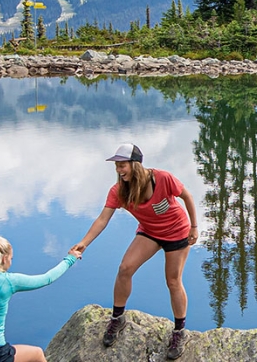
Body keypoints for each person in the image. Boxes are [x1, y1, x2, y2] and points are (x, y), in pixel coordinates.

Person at [69, 144, 199, 361]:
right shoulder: (119, 191)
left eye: (123, 165)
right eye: (117, 166)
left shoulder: (162, 178)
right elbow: (103, 219)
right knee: (125, 269)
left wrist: (194, 227)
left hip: (177, 232)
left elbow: (187, 197)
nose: (119, 170)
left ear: (135, 164)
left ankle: (179, 332)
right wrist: (84, 243)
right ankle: (117, 318)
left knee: (173, 281)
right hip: (149, 232)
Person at [0, 234, 80, 362]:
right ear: (3, 259)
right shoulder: (8, 281)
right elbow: (47, 278)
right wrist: (70, 259)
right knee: (37, 354)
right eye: (11, 258)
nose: (11, 262)